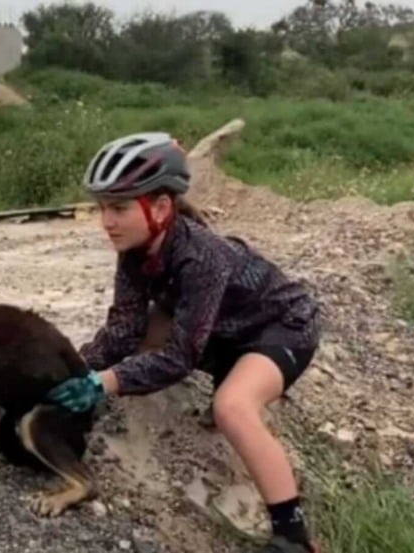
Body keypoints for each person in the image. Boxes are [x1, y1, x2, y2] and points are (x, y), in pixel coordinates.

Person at [45, 133, 323, 553]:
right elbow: (122, 329)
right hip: (222, 328)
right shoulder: (134, 251)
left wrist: (103, 382)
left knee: (232, 406)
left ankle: (293, 535)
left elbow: (180, 358)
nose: (106, 222)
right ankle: (224, 373)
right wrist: (71, 371)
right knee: (139, 334)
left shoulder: (202, 255)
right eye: (102, 208)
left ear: (160, 208)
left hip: (281, 328)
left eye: (119, 208)